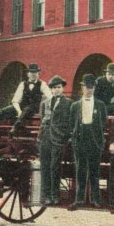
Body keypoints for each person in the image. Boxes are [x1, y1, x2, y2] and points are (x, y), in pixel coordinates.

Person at [0, 62, 51, 134]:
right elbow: (15, 100)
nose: (33, 74)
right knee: (5, 110)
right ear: (28, 74)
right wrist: (18, 111)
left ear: (38, 74)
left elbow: (49, 96)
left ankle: (15, 128)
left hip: (34, 107)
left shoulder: (42, 84)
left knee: (27, 110)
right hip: (22, 105)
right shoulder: (23, 84)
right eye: (31, 72)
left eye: (35, 73)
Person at [69, 74, 107, 207]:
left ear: (94, 88)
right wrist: (74, 138)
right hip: (80, 140)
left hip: (95, 140)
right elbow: (71, 123)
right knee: (80, 170)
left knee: (94, 171)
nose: (89, 90)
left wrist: (99, 140)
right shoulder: (75, 106)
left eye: (91, 87)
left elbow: (104, 123)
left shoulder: (101, 105)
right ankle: (79, 200)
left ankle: (95, 199)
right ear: (82, 88)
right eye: (87, 87)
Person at [37, 75, 73, 205]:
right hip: (45, 138)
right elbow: (43, 121)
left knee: (55, 167)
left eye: (59, 87)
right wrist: (41, 137)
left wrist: (64, 136)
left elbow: (70, 123)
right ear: (51, 90)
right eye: (54, 88)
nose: (56, 90)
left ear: (62, 88)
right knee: (45, 167)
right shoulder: (45, 103)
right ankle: (45, 196)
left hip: (58, 139)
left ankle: (55, 195)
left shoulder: (69, 103)